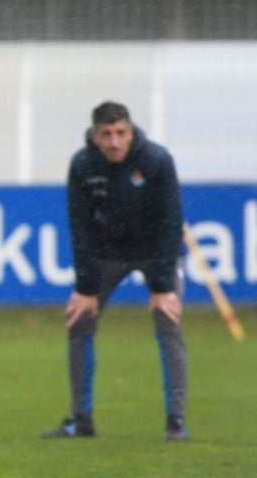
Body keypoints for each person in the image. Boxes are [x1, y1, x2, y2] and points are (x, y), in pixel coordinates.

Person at [41, 101, 189, 442]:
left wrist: (163, 285)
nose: (114, 142)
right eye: (106, 134)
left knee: (169, 322)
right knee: (79, 321)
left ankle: (176, 421)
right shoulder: (82, 165)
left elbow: (170, 224)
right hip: (107, 255)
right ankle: (81, 420)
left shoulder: (156, 160)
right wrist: (86, 287)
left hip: (154, 254)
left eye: (120, 133)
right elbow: (80, 229)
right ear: (95, 135)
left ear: (131, 131)